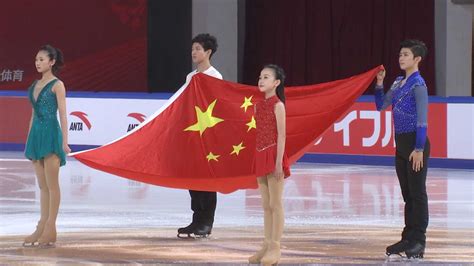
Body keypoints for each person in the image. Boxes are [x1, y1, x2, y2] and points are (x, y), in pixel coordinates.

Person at [375, 39, 430, 259]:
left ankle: (419, 241)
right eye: (400, 54)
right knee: (407, 195)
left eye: (406, 54)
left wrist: (418, 149)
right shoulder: (398, 83)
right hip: (401, 145)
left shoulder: (419, 85)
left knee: (417, 194)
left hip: (416, 145)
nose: (401, 57)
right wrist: (380, 83)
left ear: (417, 59)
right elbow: (381, 105)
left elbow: (422, 120)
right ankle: (408, 237)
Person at [23, 44, 71, 247]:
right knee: (42, 186)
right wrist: (29, 139)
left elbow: (62, 113)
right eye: (36, 59)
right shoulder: (34, 85)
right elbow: (33, 114)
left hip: (51, 134)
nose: (38, 62)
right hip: (36, 136)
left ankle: (51, 227)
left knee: (52, 185)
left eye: (42, 59)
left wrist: (65, 141)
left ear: (52, 62)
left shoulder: (57, 84)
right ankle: (41, 226)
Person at [177, 33, 223, 238]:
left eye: (198, 49)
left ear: (208, 52)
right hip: (192, 134)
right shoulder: (190, 76)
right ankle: (196, 220)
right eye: (193, 48)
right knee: (192, 176)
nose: (194, 52)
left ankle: (207, 222)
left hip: (209, 136)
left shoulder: (215, 76)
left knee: (206, 178)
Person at [248, 64, 290, 265]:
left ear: (276, 83)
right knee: (265, 205)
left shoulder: (278, 105)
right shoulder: (257, 105)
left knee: (276, 203)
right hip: (260, 154)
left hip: (274, 155)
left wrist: (279, 162)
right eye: (260, 77)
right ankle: (265, 244)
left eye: (266, 77)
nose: (261, 80)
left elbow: (282, 135)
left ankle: (275, 247)